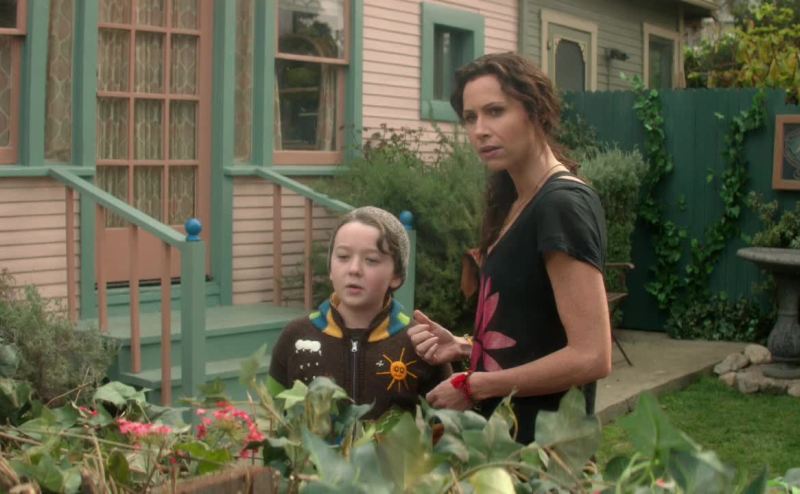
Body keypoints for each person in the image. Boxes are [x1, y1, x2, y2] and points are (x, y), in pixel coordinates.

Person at [408, 52, 612, 444]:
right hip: (505, 441)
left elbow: (592, 356)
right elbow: (536, 333)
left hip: (543, 449)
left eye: (495, 111)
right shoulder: (516, 201)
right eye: (470, 118)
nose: (480, 130)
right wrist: (465, 347)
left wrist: (474, 386)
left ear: (536, 111)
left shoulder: (560, 205)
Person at [268, 206, 451, 418]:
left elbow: (448, 424)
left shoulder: (419, 343)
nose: (354, 269)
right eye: (343, 256)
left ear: (397, 276)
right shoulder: (296, 336)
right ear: (330, 268)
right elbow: (272, 416)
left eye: (371, 260)